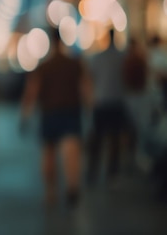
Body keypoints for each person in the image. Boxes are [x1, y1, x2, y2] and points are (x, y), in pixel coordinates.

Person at [20, 29, 91, 208]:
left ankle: (50, 192)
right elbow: (86, 88)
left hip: (49, 112)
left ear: (51, 42)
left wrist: (25, 115)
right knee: (72, 150)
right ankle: (72, 186)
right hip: (71, 111)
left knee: (49, 153)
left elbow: (32, 92)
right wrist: (90, 109)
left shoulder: (44, 66)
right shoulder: (74, 64)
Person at [86, 28, 133, 186]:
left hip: (101, 102)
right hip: (117, 101)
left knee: (97, 139)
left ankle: (93, 171)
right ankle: (112, 171)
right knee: (114, 138)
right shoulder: (122, 57)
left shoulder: (97, 57)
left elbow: (91, 78)